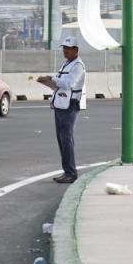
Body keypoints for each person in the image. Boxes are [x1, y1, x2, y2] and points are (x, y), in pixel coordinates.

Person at [37, 36, 86, 184]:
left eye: (68, 48)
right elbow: (58, 85)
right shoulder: (66, 64)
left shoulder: (78, 66)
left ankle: (71, 173)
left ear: (76, 50)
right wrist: (47, 82)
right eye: (64, 48)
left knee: (66, 139)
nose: (65, 51)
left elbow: (69, 84)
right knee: (61, 140)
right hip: (60, 105)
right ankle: (67, 171)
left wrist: (52, 78)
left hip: (69, 106)